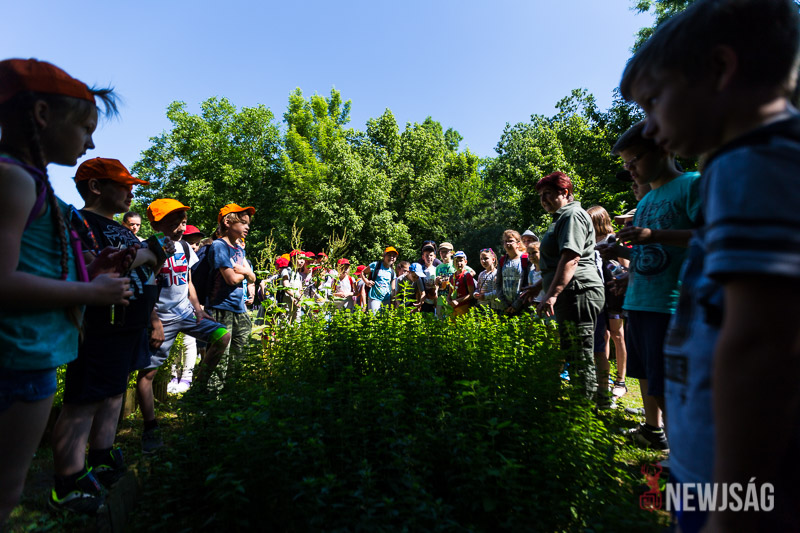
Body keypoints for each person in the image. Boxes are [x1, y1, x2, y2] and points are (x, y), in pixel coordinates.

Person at [620, 0, 800, 529]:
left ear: (720, 69)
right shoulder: (760, 158)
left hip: (739, 485)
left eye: (654, 101)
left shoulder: (750, 163)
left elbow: (762, 343)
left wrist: (731, 508)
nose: (649, 127)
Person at [0, 58, 132, 523]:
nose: (90, 142)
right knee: (5, 491)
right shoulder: (13, 179)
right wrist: (90, 294)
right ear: (42, 115)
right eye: (85, 128)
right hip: (16, 360)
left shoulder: (28, 181)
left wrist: (89, 271)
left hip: (30, 357)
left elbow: (28, 267)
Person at [51, 157, 168, 512]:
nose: (130, 192)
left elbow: (149, 263)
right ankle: (68, 480)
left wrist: (141, 256)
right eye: (123, 185)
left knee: (115, 392)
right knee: (84, 398)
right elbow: (98, 264)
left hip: (130, 323)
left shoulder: (121, 228)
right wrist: (145, 253)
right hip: (100, 323)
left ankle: (102, 456)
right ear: (96, 187)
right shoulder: (79, 221)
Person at [605, 121, 701, 451]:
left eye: (634, 160)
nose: (630, 169)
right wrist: (627, 273)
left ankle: (689, 460)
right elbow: (649, 253)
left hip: (671, 305)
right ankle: (675, 451)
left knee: (670, 390)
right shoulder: (646, 202)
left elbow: (713, 235)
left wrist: (654, 234)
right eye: (626, 163)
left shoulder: (691, 185)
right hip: (639, 303)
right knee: (653, 386)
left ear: (663, 149)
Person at [137, 200, 230, 449]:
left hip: (187, 313)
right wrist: (154, 321)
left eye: (183, 221)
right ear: (156, 224)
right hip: (162, 318)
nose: (181, 227)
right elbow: (144, 287)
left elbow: (188, 281)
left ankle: (197, 391)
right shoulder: (146, 249)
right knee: (147, 374)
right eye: (174, 223)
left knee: (222, 336)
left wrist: (198, 310)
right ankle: (150, 428)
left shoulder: (185, 247)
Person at [530, 172, 604, 402]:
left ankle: (584, 410)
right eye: (540, 196)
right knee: (573, 350)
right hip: (570, 292)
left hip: (578, 291)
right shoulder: (561, 217)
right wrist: (538, 286)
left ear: (565, 192)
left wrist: (551, 294)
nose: (543, 200)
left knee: (580, 353)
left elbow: (571, 258)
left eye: (548, 194)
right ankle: (580, 404)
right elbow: (557, 263)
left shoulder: (572, 215)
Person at [206, 204, 255, 383]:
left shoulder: (240, 249)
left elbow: (253, 278)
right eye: (243, 223)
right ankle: (211, 394)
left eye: (248, 224)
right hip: (221, 307)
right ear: (227, 222)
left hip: (239, 308)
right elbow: (231, 279)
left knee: (241, 354)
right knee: (220, 357)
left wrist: (244, 271)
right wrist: (246, 273)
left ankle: (233, 391)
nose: (247, 227)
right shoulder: (219, 246)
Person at [587, 205, 629, 404]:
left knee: (618, 335)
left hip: (614, 295)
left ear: (599, 221)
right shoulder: (589, 242)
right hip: (598, 295)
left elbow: (625, 266)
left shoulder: (613, 240)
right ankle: (604, 378)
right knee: (602, 336)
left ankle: (621, 380)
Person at [495, 230, 531, 316]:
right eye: (505, 241)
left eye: (511, 241)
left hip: (523, 305)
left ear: (518, 243)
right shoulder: (502, 260)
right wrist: (504, 304)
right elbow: (498, 283)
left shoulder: (526, 258)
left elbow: (528, 284)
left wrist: (516, 305)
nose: (508, 244)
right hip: (506, 307)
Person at [362, 246, 398, 314]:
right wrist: (366, 281)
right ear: (384, 256)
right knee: (374, 318)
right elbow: (363, 272)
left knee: (384, 319)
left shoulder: (392, 272)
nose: (391, 257)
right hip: (374, 298)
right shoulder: (376, 265)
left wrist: (393, 302)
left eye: (394, 256)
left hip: (386, 299)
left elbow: (392, 289)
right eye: (389, 255)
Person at [472, 248, 503, 314]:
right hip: (481, 306)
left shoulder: (497, 274)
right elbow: (478, 288)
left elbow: (499, 291)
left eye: (486, 258)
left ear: (493, 259)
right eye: (481, 259)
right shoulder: (481, 274)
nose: (483, 261)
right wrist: (475, 294)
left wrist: (485, 296)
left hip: (494, 308)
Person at [447, 251, 475, 319]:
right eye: (456, 261)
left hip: (464, 307)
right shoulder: (451, 277)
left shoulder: (467, 275)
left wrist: (457, 301)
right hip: (453, 309)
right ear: (453, 263)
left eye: (461, 261)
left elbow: (471, 294)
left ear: (465, 262)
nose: (458, 263)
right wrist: (448, 301)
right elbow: (450, 293)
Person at [418, 243, 438, 314]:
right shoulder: (420, 270)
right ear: (423, 257)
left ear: (434, 257)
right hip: (423, 301)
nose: (429, 257)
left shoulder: (437, 270)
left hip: (435, 300)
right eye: (426, 255)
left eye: (431, 255)